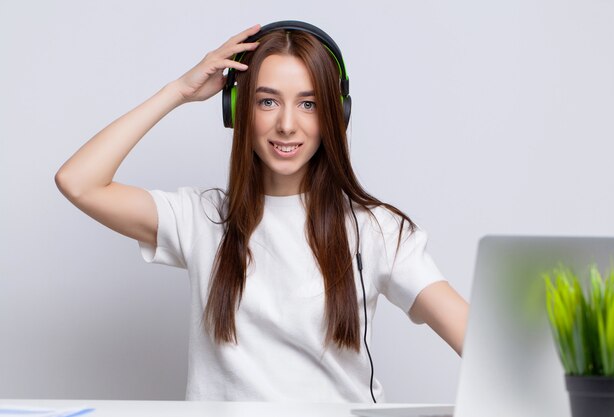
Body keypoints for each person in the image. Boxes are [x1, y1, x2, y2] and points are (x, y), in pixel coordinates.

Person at [55, 21, 469, 403]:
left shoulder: (376, 230)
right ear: (237, 109)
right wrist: (179, 91)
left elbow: (479, 343)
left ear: (335, 115)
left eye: (308, 104)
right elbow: (79, 181)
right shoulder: (200, 218)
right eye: (267, 101)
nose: (287, 124)